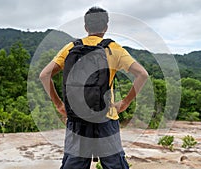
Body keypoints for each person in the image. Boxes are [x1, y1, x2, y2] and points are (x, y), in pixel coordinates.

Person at [40, 7, 149, 169]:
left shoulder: (71, 47)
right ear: (106, 27)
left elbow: (44, 75)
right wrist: (125, 103)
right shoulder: (114, 49)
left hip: (76, 118)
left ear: (86, 27)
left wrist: (59, 105)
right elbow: (142, 74)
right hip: (106, 117)